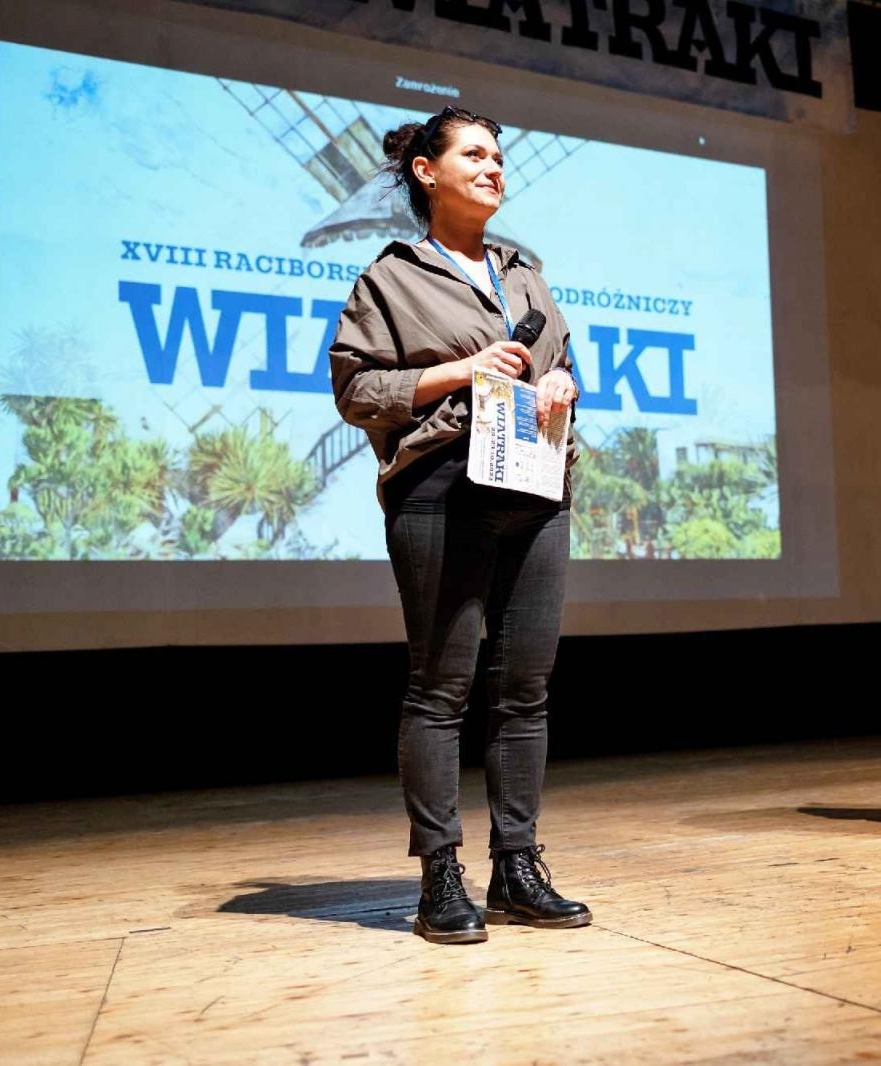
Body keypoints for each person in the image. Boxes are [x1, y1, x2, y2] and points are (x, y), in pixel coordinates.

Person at [329, 106, 590, 942]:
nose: (495, 167)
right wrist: (460, 371)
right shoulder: (391, 276)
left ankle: (516, 865)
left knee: (525, 691)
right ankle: (441, 875)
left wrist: (559, 389)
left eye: (500, 155)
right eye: (474, 154)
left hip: (536, 485)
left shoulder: (524, 270)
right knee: (440, 691)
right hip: (442, 487)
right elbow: (356, 392)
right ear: (426, 172)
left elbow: (564, 364)